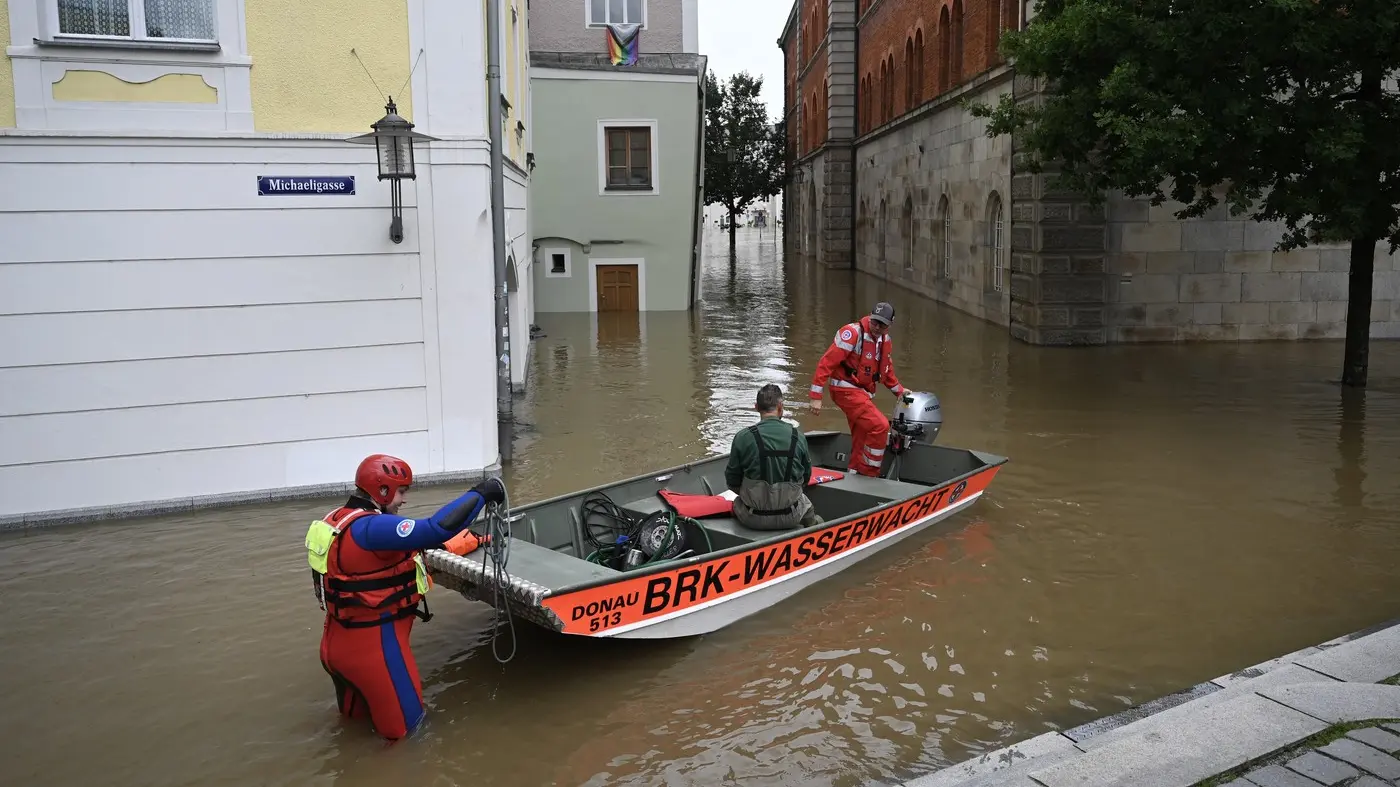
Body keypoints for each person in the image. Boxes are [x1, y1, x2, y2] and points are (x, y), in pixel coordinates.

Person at [305, 454, 506, 741]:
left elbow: (385, 558)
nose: (403, 500)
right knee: (409, 739)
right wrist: (483, 493)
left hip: (336, 649)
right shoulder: (372, 528)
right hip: (375, 655)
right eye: (401, 492)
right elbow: (434, 528)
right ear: (382, 491)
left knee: (351, 734)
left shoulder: (335, 521)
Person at [809, 301, 906, 477]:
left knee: (862, 432)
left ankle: (853, 472)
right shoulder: (852, 333)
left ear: (889, 325)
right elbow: (826, 363)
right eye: (874, 322)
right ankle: (870, 473)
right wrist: (816, 396)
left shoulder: (885, 341)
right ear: (870, 316)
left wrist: (900, 391)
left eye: (882, 324)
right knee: (880, 426)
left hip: (863, 392)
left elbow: (886, 371)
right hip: (845, 389)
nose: (876, 327)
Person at [724, 384, 822, 530]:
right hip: (791, 516)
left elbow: (732, 480)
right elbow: (805, 478)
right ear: (780, 407)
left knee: (736, 502)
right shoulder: (798, 437)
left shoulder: (742, 437)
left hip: (751, 518)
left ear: (756, 407)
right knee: (814, 516)